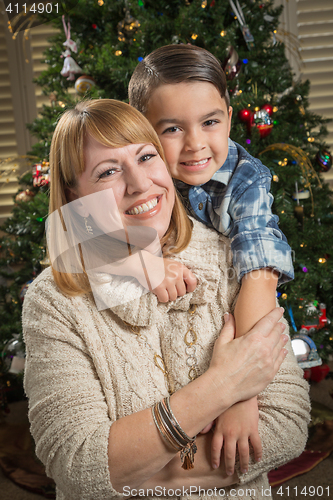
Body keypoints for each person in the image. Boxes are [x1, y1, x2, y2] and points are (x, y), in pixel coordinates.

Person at [23, 99, 310, 500]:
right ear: (75, 195)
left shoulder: (232, 257)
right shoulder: (54, 300)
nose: (140, 184)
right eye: (108, 171)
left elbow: (287, 425)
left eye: (146, 157)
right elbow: (78, 466)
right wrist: (224, 386)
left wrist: (137, 474)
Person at [128, 44, 295, 472]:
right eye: (171, 129)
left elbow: (259, 274)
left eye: (210, 122)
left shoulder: (245, 179)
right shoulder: (131, 170)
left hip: (225, 317)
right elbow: (73, 225)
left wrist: (242, 393)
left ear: (227, 111)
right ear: (141, 130)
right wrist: (142, 260)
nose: (196, 144)